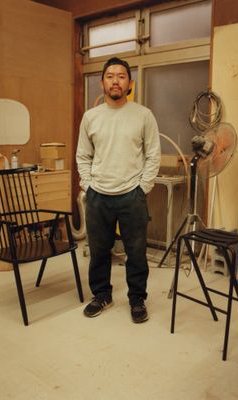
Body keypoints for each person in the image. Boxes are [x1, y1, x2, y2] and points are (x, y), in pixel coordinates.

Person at [76, 57, 161, 323]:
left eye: (121, 76)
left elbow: (153, 155)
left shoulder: (143, 115)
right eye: (110, 76)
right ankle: (101, 295)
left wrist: (142, 187)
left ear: (130, 83)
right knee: (99, 250)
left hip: (132, 195)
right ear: (102, 82)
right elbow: (83, 155)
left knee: (136, 252)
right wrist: (88, 185)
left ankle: (137, 299)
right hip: (98, 195)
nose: (115, 80)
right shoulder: (91, 117)